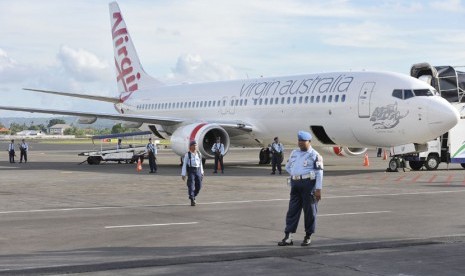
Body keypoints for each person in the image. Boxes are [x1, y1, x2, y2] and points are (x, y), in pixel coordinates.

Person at [278, 131, 323, 247]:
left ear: (309, 142)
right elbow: (288, 167)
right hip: (295, 184)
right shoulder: (294, 153)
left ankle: (308, 236)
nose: (300, 143)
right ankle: (288, 237)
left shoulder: (315, 155)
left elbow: (319, 173)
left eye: (303, 141)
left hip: (308, 184)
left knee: (310, 212)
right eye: (299, 141)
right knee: (292, 211)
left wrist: (318, 189)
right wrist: (295, 175)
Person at [181, 140, 204, 206]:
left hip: (198, 170)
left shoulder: (199, 154)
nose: (195, 146)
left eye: (196, 145)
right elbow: (184, 164)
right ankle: (192, 199)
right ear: (190, 146)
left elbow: (200, 164)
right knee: (191, 185)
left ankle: (193, 195)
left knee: (199, 186)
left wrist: (202, 172)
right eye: (194, 145)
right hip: (191, 171)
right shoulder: (187, 155)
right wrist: (183, 174)